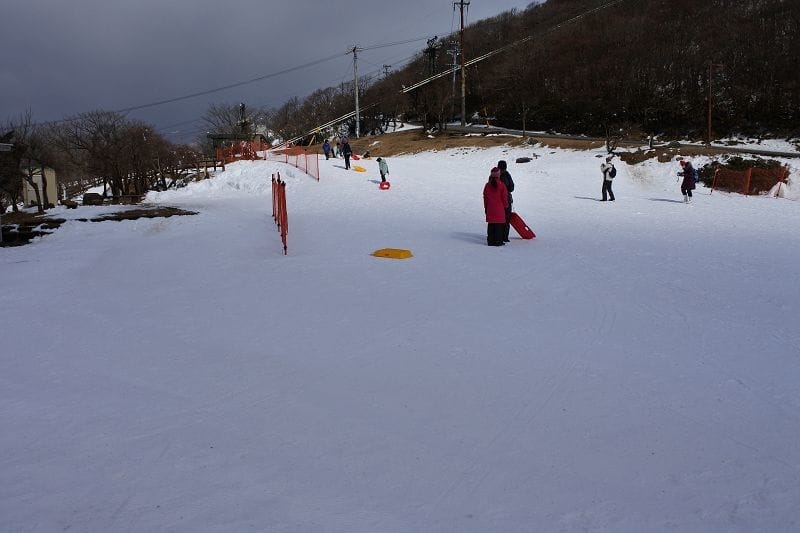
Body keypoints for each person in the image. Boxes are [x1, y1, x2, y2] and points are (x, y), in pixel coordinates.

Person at [484, 167, 509, 246]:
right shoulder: (502, 185)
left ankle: (490, 241)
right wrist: (506, 207)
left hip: (490, 208)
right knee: (499, 226)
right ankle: (498, 241)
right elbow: (504, 197)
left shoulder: (487, 185)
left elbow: (485, 198)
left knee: (491, 225)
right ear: (498, 175)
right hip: (499, 209)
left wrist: (486, 207)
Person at [497, 160, 514, 242]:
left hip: (496, 200)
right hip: (506, 200)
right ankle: (504, 237)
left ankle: (498, 236)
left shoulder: (494, 174)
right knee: (506, 218)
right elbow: (511, 188)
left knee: (497, 218)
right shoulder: (507, 175)